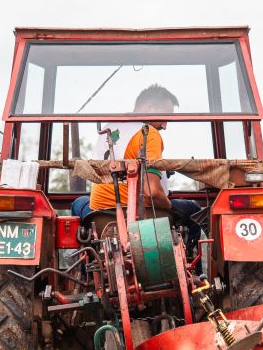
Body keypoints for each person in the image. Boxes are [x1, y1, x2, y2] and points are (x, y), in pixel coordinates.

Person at [71, 84, 201, 247]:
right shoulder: (147, 133)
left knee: (78, 204)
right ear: (150, 107)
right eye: (165, 117)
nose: (165, 126)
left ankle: (84, 268)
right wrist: (169, 207)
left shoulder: (109, 127)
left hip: (98, 213)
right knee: (194, 210)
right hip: (140, 213)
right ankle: (196, 268)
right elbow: (152, 191)